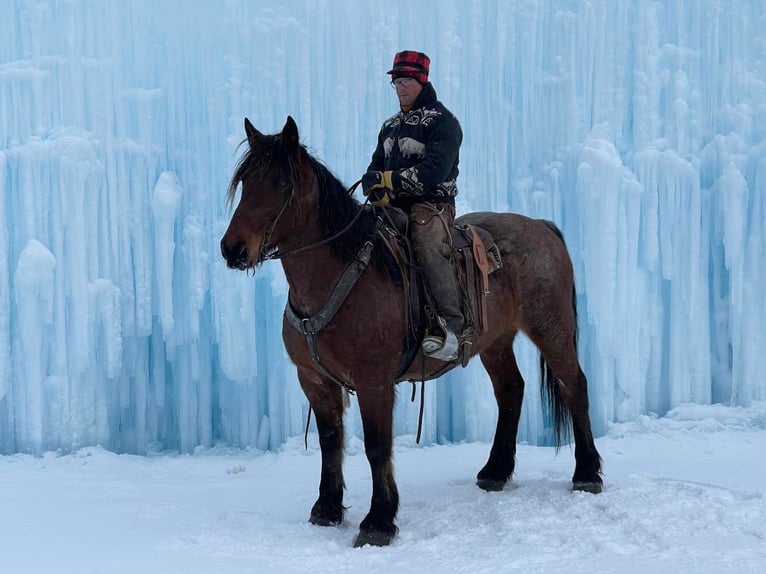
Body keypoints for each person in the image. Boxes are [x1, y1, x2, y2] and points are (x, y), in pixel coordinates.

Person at [362, 50, 464, 361]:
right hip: (392, 208)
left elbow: (433, 173)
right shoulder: (390, 126)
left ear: (422, 81)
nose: (401, 87)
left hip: (431, 206)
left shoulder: (444, 122)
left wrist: (388, 180)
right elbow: (374, 167)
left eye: (406, 81)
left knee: (428, 245)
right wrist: (372, 185)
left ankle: (451, 328)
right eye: (396, 82)